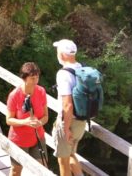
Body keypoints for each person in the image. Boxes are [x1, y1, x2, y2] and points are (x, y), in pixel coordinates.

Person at [51, 40, 86, 176]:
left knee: (63, 162)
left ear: (63, 54)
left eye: (58, 51)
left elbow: (67, 104)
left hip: (69, 122)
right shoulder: (81, 68)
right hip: (81, 121)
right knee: (71, 155)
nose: (57, 54)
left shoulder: (63, 74)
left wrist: (65, 129)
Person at [6, 61, 49, 175]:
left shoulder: (41, 91)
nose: (35, 81)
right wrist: (25, 122)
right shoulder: (14, 95)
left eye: (37, 77)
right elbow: (8, 120)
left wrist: (39, 123)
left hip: (38, 137)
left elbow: (46, 116)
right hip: (19, 139)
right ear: (24, 78)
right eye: (32, 78)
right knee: (16, 171)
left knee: (41, 169)